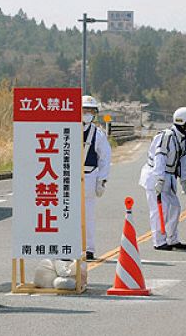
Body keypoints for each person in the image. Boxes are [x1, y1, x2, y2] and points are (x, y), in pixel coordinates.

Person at [139, 106, 186, 251]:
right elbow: (160, 157)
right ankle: (159, 241)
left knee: (175, 208)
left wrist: (184, 178)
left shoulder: (184, 139)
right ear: (182, 123)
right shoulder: (166, 136)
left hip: (169, 176)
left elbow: (183, 159)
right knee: (159, 210)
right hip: (156, 175)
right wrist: (159, 179)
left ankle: (172, 239)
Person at [81, 95, 111, 261]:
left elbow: (105, 157)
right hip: (70, 177)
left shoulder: (97, 133)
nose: (87, 113)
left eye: (91, 111)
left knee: (89, 215)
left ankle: (89, 248)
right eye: (85, 110)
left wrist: (101, 180)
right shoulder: (68, 129)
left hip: (90, 175)